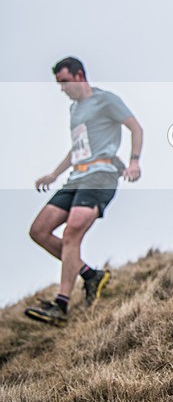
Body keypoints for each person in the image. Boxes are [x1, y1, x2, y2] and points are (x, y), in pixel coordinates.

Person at [24, 57, 143, 327]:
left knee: (71, 234)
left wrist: (134, 160)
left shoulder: (106, 100)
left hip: (100, 176)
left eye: (64, 81)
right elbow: (78, 147)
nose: (62, 88)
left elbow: (136, 127)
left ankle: (61, 305)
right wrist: (54, 173)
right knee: (39, 230)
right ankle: (90, 275)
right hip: (76, 177)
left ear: (79, 75)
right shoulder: (74, 111)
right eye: (58, 84)